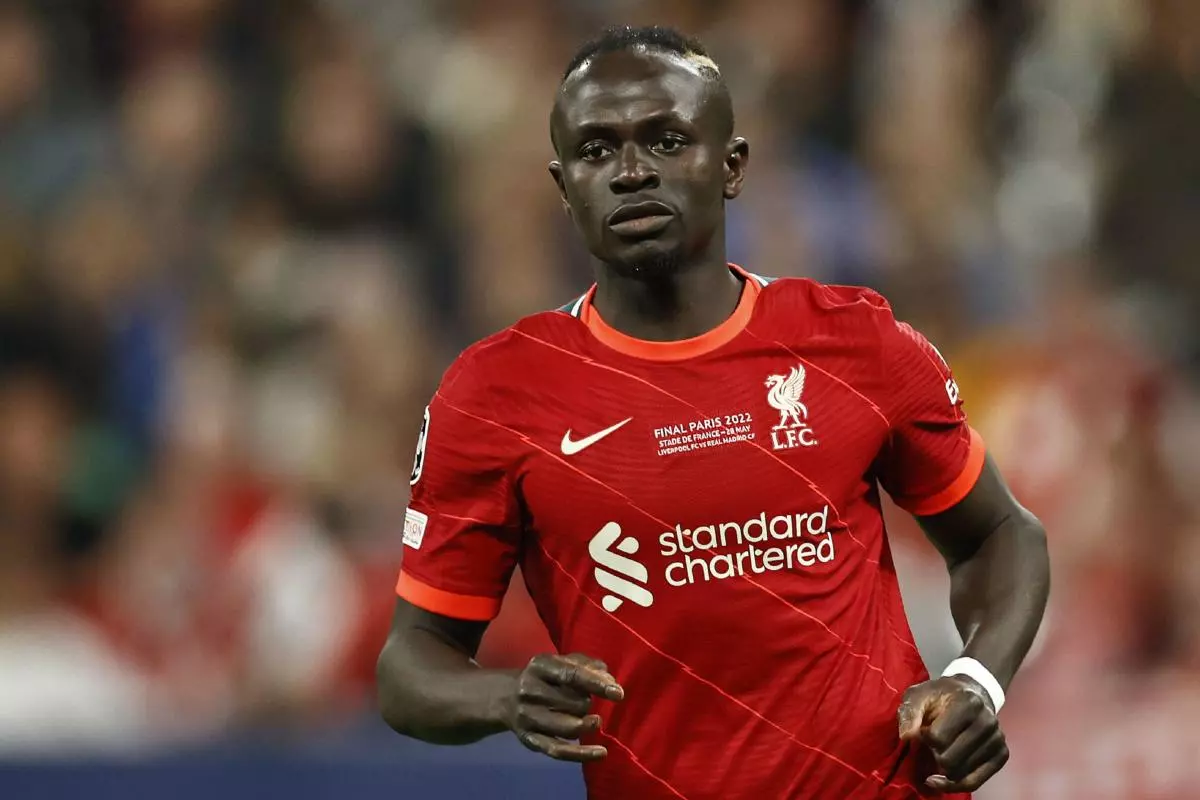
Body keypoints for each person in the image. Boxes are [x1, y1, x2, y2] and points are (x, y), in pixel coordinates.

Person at [376, 25, 1050, 799]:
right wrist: (502, 696)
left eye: (666, 141)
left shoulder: (853, 340)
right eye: (597, 151)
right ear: (564, 190)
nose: (631, 172)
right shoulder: (497, 394)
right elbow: (410, 665)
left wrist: (976, 680)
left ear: (732, 167)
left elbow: (1001, 534)